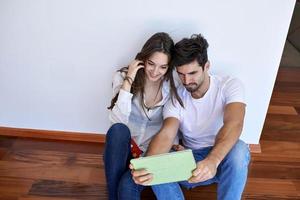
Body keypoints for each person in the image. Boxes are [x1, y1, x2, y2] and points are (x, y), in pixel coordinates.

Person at [131, 34, 251, 200]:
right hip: (190, 160)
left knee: (240, 149)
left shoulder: (229, 85)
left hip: (221, 158)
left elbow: (234, 123)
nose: (187, 81)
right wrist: (149, 165)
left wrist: (212, 161)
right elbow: (166, 133)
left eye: (192, 73)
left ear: (206, 66)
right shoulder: (177, 97)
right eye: (181, 74)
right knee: (155, 166)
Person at [104, 32, 184, 200]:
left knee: (126, 186)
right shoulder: (123, 76)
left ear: (169, 67)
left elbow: (172, 122)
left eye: (163, 67)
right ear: (143, 59)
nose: (155, 72)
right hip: (123, 152)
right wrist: (129, 80)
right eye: (151, 64)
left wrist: (177, 144)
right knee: (118, 130)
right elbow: (116, 122)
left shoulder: (172, 88)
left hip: (151, 154)